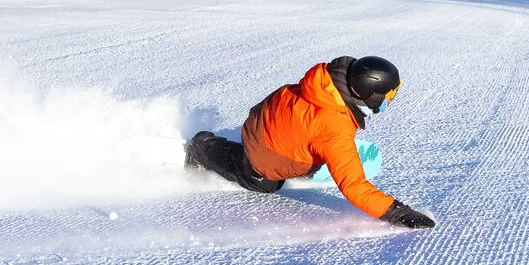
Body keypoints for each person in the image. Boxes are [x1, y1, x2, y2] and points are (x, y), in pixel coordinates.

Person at [185, 56, 434, 229]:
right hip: (263, 150)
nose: (389, 101)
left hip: (267, 117)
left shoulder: (326, 84)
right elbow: (354, 186)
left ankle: (313, 157)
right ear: (370, 94)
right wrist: (397, 212)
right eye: (388, 96)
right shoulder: (334, 130)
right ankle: (202, 148)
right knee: (263, 180)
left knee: (323, 147)